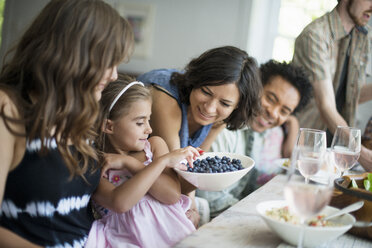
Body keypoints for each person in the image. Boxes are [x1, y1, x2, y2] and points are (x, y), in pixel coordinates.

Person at [0, 0, 135, 247]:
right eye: (108, 62)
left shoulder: (80, 117)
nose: (114, 74)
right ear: (75, 54)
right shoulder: (8, 108)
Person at [137, 46, 262, 226]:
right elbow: (179, 176)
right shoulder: (165, 100)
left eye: (225, 103)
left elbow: (195, 165)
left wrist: (192, 205)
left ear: (237, 107)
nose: (210, 108)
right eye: (205, 92)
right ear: (196, 80)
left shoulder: (220, 119)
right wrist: (191, 200)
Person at [85, 77, 200, 248]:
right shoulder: (96, 163)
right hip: (125, 238)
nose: (149, 129)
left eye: (149, 119)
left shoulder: (154, 147)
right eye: (140, 122)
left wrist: (130, 163)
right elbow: (120, 203)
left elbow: (171, 195)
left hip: (170, 233)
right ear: (109, 127)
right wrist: (161, 163)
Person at [196, 60, 312, 218]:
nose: (274, 113)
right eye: (270, 99)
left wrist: (292, 124)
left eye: (284, 111)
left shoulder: (265, 132)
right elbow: (211, 199)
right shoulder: (224, 130)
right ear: (254, 87)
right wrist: (267, 216)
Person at [292, 0, 372, 170]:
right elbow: (326, 105)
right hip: (306, 147)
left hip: (336, 151)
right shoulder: (314, 36)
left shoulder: (362, 36)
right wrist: (360, 153)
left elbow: (351, 96)